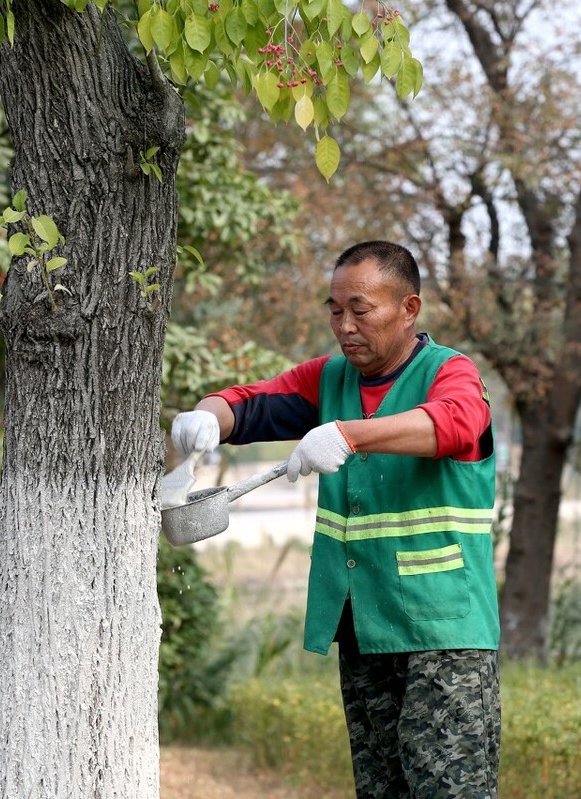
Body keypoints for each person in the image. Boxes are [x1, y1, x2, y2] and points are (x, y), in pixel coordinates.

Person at [171, 241, 501, 798]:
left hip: (443, 634)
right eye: (334, 309)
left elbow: (456, 425)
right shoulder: (329, 381)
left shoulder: (450, 373)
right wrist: (206, 418)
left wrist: (350, 434)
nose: (345, 325)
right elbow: (249, 404)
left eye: (361, 310)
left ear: (409, 309)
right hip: (362, 627)